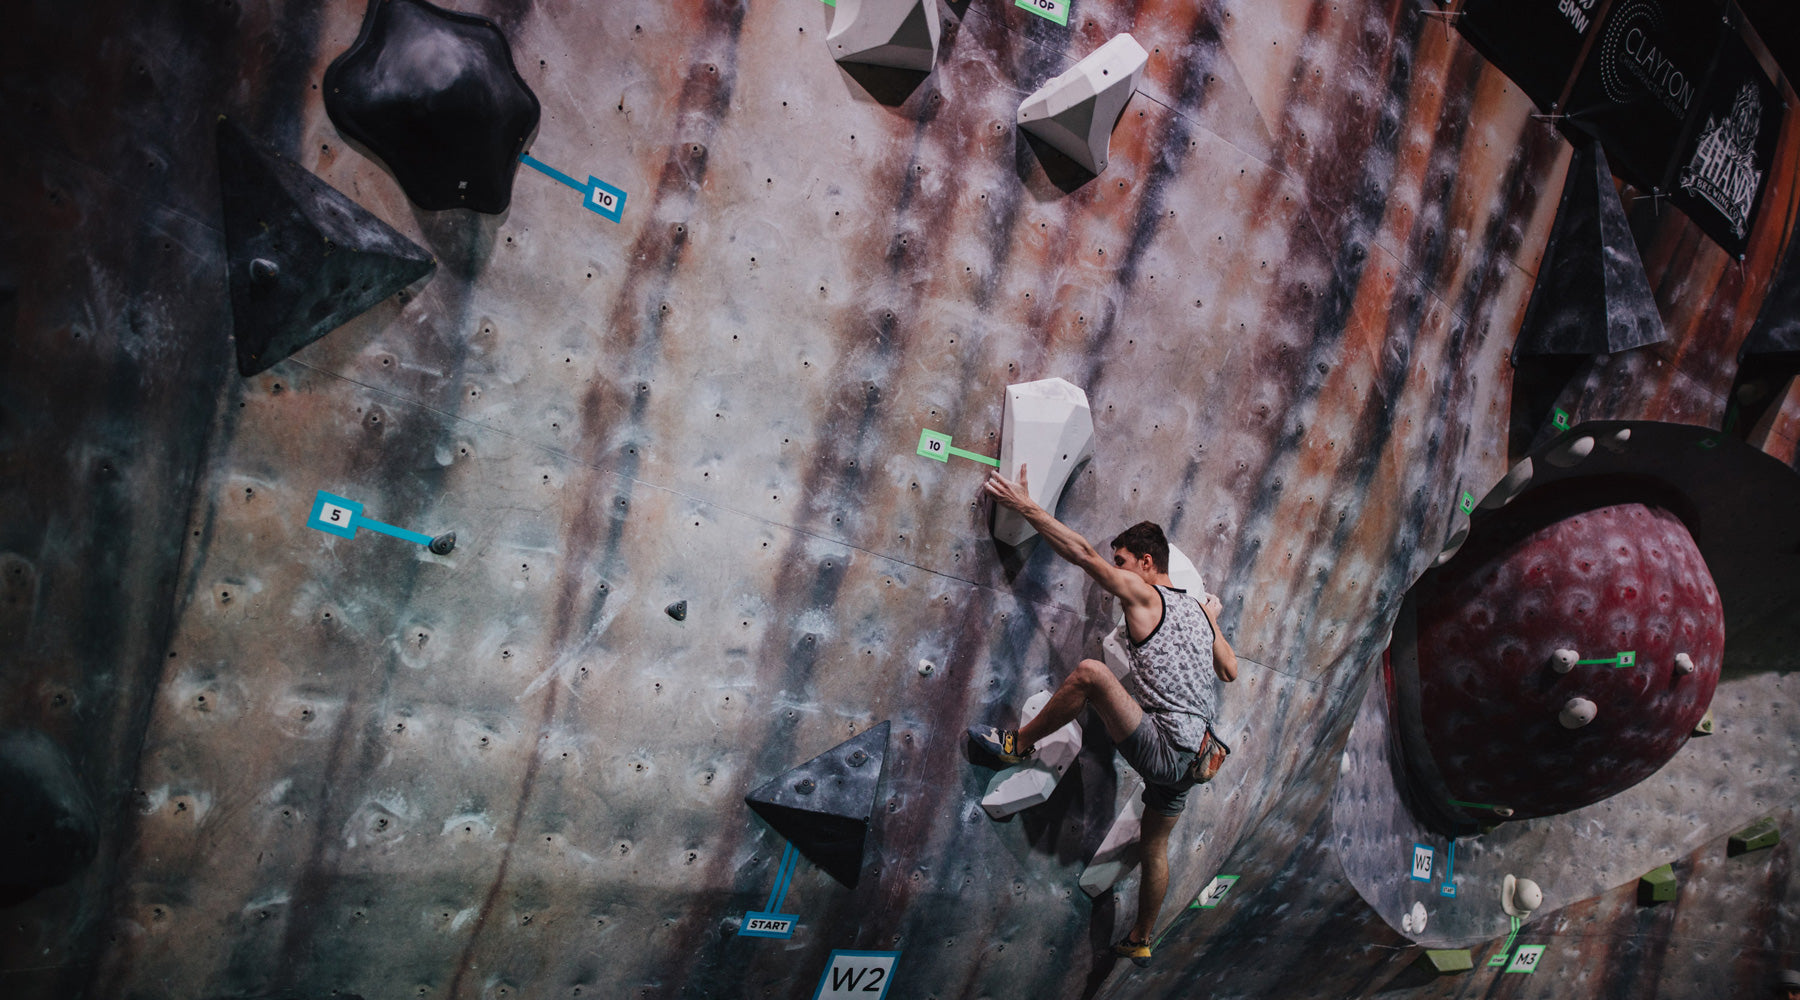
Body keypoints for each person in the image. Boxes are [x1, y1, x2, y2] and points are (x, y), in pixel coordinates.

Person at [968, 465, 1238, 966]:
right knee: (1155, 847)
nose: (1116, 569)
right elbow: (1231, 670)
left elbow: (1082, 554)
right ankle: (1141, 936)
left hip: (1166, 748)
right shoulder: (1198, 611)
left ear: (1147, 561)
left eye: (1123, 560)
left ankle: (1015, 746)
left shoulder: (1144, 594)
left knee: (1091, 674)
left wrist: (1028, 507)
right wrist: (1213, 620)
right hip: (1198, 758)